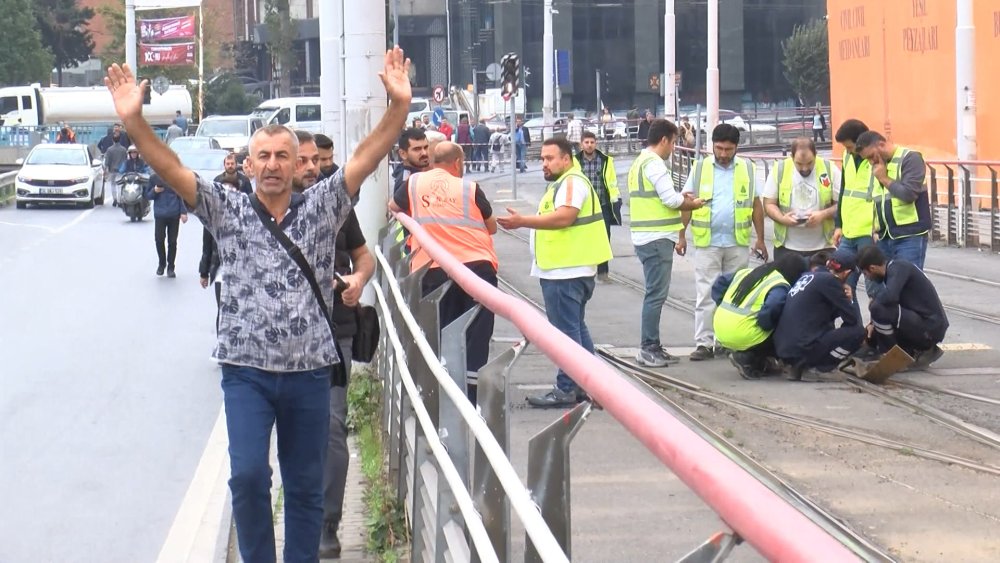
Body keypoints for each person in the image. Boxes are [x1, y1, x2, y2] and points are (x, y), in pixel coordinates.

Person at [103, 46, 411, 561]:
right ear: (248, 165)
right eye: (262, 156)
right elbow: (173, 169)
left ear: (297, 165)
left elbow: (366, 157)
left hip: (311, 369)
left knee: (305, 486)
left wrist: (397, 108)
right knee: (247, 477)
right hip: (246, 372)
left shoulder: (322, 206)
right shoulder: (227, 208)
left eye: (282, 157)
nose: (271, 165)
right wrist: (133, 121)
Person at [283, 131, 375, 559]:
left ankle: (327, 522)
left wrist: (358, 280)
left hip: (334, 327)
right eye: (301, 161)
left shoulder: (336, 203)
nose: (310, 168)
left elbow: (363, 256)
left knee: (332, 428)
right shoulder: (257, 206)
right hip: (280, 341)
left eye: (315, 161)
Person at [497, 137, 612, 408]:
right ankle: (587, 384)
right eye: (542, 159)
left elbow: (564, 217)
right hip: (568, 269)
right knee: (575, 330)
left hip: (566, 272)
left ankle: (567, 388)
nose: (544, 164)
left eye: (550, 158)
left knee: (565, 335)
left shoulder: (572, 183)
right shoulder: (568, 182)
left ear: (566, 159)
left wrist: (522, 221)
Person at [389, 141, 498, 403]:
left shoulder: (413, 185)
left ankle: (436, 391)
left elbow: (393, 207)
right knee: (476, 332)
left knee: (437, 328)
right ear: (458, 163)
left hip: (432, 267)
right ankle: (469, 393)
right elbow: (491, 226)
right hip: (475, 267)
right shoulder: (469, 188)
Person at [682, 123, 768, 361]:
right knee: (706, 293)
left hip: (737, 242)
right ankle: (704, 343)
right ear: (712, 146)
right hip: (707, 242)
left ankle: (728, 341)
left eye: (728, 149)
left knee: (735, 294)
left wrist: (760, 239)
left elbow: (756, 206)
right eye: (719, 148)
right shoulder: (699, 168)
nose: (723, 154)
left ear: (736, 147)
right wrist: (681, 235)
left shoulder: (748, 170)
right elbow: (687, 203)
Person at [627, 119, 705, 367]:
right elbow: (670, 200)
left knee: (654, 293)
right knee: (656, 295)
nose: (673, 148)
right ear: (664, 140)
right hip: (656, 238)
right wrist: (690, 203)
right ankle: (648, 347)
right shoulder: (655, 164)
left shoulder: (639, 162)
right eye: (673, 142)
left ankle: (653, 344)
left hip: (646, 237)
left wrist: (680, 197)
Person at [773, 249, 866, 380]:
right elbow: (852, 319)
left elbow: (821, 314)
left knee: (828, 327)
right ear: (846, 272)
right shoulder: (831, 281)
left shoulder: (808, 276)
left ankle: (800, 364)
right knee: (858, 332)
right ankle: (818, 366)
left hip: (784, 347)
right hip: (802, 348)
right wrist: (849, 299)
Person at [713, 254, 808, 379]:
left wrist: (723, 305)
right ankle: (747, 357)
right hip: (743, 334)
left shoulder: (746, 272)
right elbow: (772, 307)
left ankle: (759, 361)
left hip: (720, 329)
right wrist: (765, 326)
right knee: (783, 324)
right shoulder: (779, 284)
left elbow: (719, 284)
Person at [857, 246, 947, 366]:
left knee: (877, 308)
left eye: (865, 273)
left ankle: (892, 355)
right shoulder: (893, 270)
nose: (867, 277)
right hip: (918, 322)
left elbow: (890, 297)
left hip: (930, 329)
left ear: (872, 268)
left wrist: (874, 302)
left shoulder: (898, 268)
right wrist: (872, 325)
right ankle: (889, 350)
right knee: (876, 325)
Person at [854, 130, 931, 270]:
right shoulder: (877, 166)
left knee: (908, 282)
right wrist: (874, 229)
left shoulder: (910, 159)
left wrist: (884, 178)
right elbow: (876, 200)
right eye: (867, 159)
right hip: (884, 236)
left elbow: (908, 195)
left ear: (881, 144)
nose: (871, 162)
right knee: (887, 284)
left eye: (872, 156)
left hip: (910, 234)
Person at [762, 138, 841, 262]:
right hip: (786, 248)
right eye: (799, 164)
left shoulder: (829, 169)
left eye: (810, 163)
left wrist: (823, 215)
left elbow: (841, 204)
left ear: (816, 155)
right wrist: (783, 219)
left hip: (823, 249)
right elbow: (768, 203)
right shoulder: (780, 169)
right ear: (792, 157)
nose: (804, 168)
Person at [832, 119, 876, 298]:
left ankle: (877, 325)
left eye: (849, 147)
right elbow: (844, 191)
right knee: (842, 286)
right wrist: (838, 224)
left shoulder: (876, 159)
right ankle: (854, 324)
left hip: (868, 233)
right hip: (848, 233)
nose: (848, 151)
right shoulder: (847, 156)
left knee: (874, 287)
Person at [576, 130, 622, 282]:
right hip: (582, 206)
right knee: (583, 238)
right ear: (581, 144)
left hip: (602, 205)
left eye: (592, 142)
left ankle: (603, 272)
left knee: (604, 238)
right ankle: (584, 270)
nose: (589, 145)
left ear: (596, 143)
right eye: (586, 142)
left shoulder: (605, 161)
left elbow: (612, 182)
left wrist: (616, 201)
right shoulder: (575, 161)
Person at [143, 174, 189, 278]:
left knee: (172, 242)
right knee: (159, 239)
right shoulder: (154, 178)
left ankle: (171, 267)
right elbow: (147, 195)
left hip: (174, 213)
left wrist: (183, 212)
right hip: (160, 214)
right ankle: (162, 263)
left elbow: (181, 196)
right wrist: (155, 191)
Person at [392, 128, 430, 194]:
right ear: (403, 154)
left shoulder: (418, 174)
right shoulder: (407, 183)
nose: (424, 153)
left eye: (426, 147)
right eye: (417, 149)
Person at [103, 141, 128, 206]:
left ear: (112, 140)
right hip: (121, 170)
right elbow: (126, 159)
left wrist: (106, 169)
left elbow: (107, 161)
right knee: (120, 186)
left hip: (112, 170)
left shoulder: (109, 149)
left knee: (113, 185)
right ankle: (120, 201)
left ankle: (115, 199)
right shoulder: (124, 149)